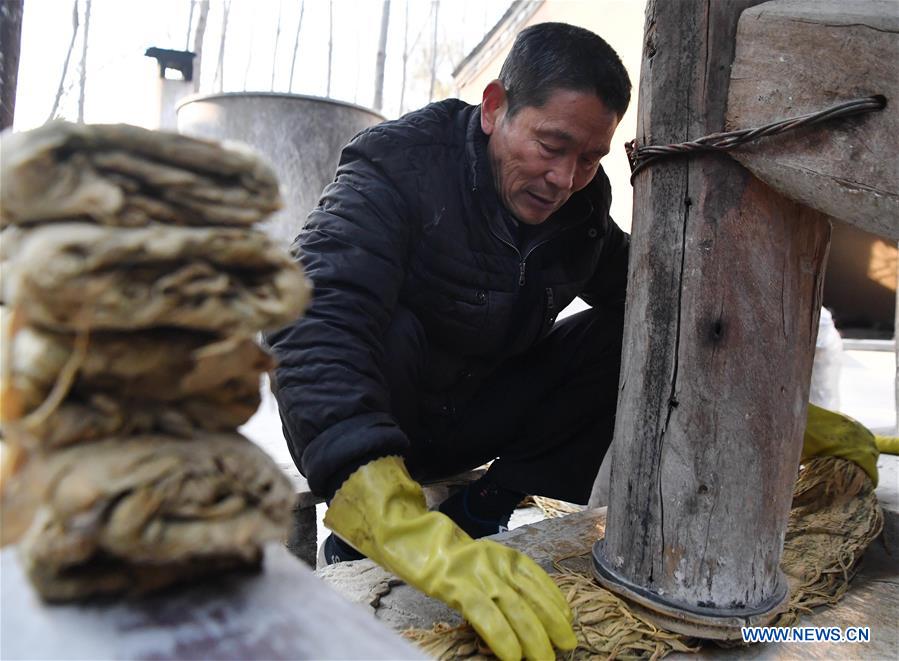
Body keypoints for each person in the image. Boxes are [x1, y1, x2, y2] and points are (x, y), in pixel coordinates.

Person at [268, 22, 631, 661]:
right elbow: (309, 313)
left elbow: (657, 298)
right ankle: (365, 533)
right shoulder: (398, 167)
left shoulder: (582, 209)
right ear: (494, 108)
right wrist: (394, 518)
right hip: (393, 422)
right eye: (551, 145)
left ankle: (482, 507)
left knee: (633, 331)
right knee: (368, 320)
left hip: (479, 411)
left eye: (590, 158)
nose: (563, 179)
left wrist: (752, 396)